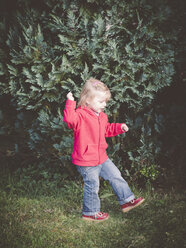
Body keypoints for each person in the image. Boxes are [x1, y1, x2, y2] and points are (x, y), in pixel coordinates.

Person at [63, 78, 144, 222]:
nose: (105, 105)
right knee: (93, 185)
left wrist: (119, 127)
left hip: (101, 156)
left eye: (105, 101)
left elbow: (106, 130)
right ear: (87, 100)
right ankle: (90, 212)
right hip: (86, 160)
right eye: (101, 102)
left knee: (115, 175)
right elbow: (69, 119)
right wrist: (70, 102)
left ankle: (127, 201)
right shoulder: (80, 115)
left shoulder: (102, 116)